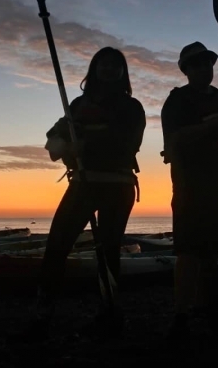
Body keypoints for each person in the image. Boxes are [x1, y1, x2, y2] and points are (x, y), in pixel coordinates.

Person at [11, 47, 146, 343]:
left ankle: (108, 314)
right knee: (57, 246)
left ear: (123, 72)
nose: (109, 69)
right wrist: (64, 147)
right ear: (94, 69)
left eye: (115, 65)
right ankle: (41, 316)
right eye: (103, 64)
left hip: (117, 186)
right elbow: (53, 139)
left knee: (108, 252)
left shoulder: (132, 107)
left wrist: (83, 143)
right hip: (82, 185)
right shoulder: (78, 104)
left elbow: (127, 142)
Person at [160, 41, 218, 339]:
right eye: (197, 65)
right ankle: (181, 313)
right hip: (189, 186)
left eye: (208, 64)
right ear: (186, 70)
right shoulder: (176, 101)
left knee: (214, 251)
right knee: (188, 251)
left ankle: (208, 304)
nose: (204, 69)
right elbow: (173, 141)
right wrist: (212, 125)